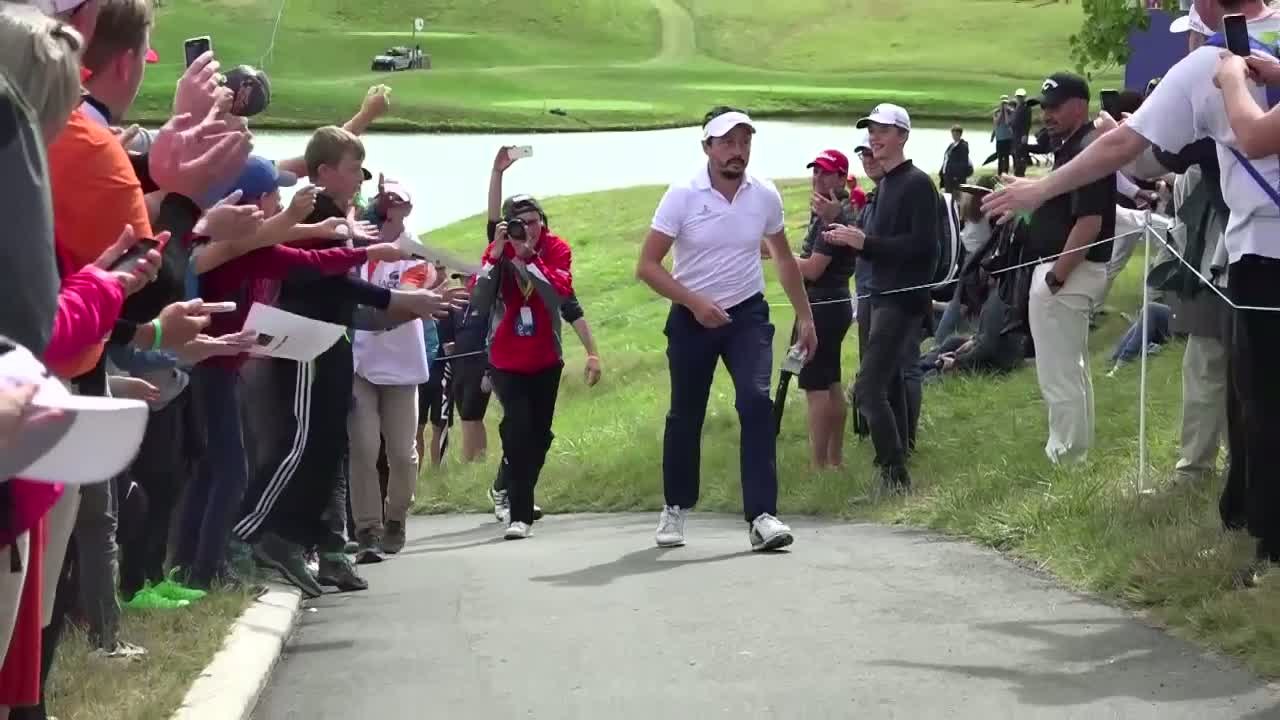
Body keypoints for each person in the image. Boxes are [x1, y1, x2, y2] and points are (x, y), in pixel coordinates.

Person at [983, 0, 1277, 572]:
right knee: (1252, 395)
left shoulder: (1213, 66)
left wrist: (1040, 191)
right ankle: (1250, 519)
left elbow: (1132, 147)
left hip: (1264, 253)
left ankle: (1269, 545)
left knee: (1262, 399)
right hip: (1252, 248)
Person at [232, 126, 462, 597]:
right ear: (324, 172)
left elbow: (341, 278)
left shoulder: (339, 214)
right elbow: (328, 281)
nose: (360, 178)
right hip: (304, 338)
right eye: (354, 169)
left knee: (326, 446)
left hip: (332, 337)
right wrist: (394, 297)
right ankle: (250, 535)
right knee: (299, 442)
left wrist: (396, 295)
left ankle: (300, 538)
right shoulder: (315, 212)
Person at [637, 106, 816, 551]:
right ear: (708, 148)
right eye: (728, 143)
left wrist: (806, 316)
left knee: (756, 403)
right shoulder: (682, 195)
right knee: (686, 414)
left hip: (747, 316)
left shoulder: (765, 195)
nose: (738, 152)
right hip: (691, 316)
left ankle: (761, 516)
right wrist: (694, 302)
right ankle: (675, 508)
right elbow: (647, 266)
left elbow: (784, 259)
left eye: (744, 142)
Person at [824, 104, 938, 494]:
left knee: (867, 389)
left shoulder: (918, 184)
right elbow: (882, 245)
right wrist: (854, 239)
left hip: (902, 300)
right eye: (871, 130)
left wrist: (865, 243)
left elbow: (924, 248)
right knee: (885, 386)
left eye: (883, 131)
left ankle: (894, 475)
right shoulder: (886, 185)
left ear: (903, 136)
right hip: (880, 295)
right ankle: (899, 458)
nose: (875, 137)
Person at [468, 195, 574, 540]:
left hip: (545, 356)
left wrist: (531, 260)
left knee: (540, 435)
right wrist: (496, 257)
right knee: (517, 429)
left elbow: (558, 293)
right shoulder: (501, 249)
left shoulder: (555, 248)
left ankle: (509, 487)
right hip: (506, 357)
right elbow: (479, 299)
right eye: (519, 223)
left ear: (543, 221)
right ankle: (520, 513)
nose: (526, 229)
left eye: (533, 221)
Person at [1023, 72, 1115, 464]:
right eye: (1044, 107)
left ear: (1080, 104)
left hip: (1069, 273)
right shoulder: (1073, 146)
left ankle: (1066, 457)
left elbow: (1090, 223)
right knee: (1070, 371)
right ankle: (1073, 453)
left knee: (1058, 374)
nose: (1047, 114)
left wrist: (1055, 277)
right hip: (1065, 273)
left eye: (1055, 106)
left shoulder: (1088, 149)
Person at [348, 179, 433, 559]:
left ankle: (395, 517)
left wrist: (392, 308)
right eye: (383, 207)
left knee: (402, 453)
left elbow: (404, 305)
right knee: (363, 446)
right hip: (360, 364)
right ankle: (367, 527)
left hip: (401, 366)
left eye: (396, 207)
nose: (387, 215)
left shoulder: (417, 254)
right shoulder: (358, 249)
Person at [794, 149, 857, 469]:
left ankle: (819, 465)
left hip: (822, 306)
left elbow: (813, 268)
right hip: (833, 303)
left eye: (826, 173)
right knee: (831, 383)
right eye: (815, 171)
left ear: (841, 178)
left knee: (815, 387)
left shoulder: (834, 218)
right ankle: (834, 461)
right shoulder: (830, 211)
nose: (818, 177)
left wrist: (779, 257)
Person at [940, 125, 972, 193]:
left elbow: (963, 163)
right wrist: (942, 172)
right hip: (947, 175)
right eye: (953, 134)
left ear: (960, 134)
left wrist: (957, 176)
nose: (954, 136)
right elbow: (946, 159)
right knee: (948, 195)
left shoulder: (963, 146)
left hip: (956, 177)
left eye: (956, 134)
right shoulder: (951, 145)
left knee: (956, 196)